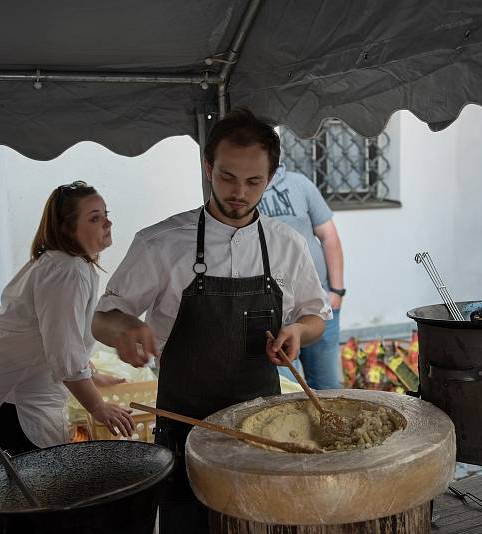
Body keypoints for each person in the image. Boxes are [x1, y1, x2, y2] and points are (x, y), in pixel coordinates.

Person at [91, 109, 331, 533]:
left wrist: (297, 331)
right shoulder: (160, 243)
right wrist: (125, 329)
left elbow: (315, 317)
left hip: (263, 433)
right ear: (208, 167)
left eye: (253, 181)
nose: (239, 192)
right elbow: (102, 318)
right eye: (227, 177)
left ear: (271, 178)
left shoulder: (287, 244)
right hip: (186, 429)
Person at [0, 181, 134, 470]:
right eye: (95, 218)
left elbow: (59, 336)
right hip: (3, 402)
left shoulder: (71, 265)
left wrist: (93, 375)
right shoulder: (66, 270)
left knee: (35, 492)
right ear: (68, 229)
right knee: (22, 498)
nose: (108, 223)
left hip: (11, 394)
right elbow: (62, 347)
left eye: (105, 214)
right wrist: (98, 406)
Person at [258, 164, 345, 389]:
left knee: (328, 390)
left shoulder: (300, 183)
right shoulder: (245, 195)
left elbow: (328, 236)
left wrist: (337, 291)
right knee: (287, 392)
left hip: (320, 305)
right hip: (275, 313)